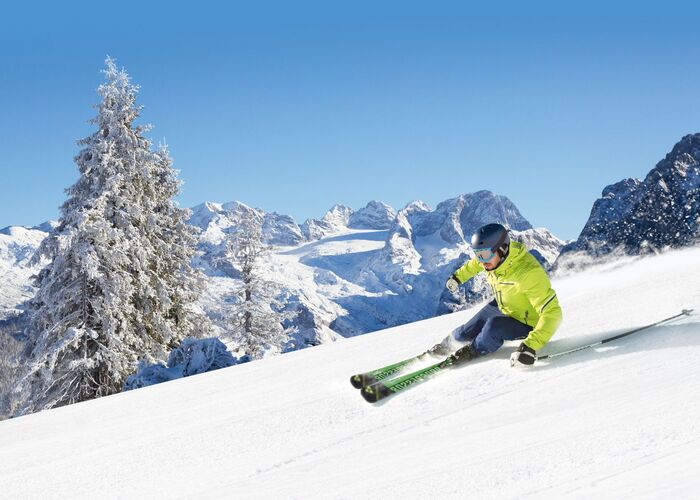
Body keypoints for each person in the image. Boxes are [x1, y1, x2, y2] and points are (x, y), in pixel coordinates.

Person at [431, 223, 563, 367]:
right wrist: (458, 277)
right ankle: (444, 346)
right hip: (504, 305)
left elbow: (553, 314)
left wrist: (530, 346)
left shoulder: (528, 273)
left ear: (502, 248)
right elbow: (474, 264)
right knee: (462, 334)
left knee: (492, 329)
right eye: (477, 254)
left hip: (528, 322)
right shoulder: (490, 260)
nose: (481, 261)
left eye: (484, 255)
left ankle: (472, 351)